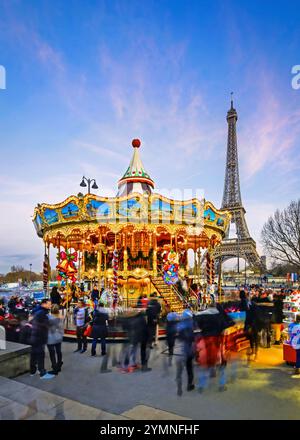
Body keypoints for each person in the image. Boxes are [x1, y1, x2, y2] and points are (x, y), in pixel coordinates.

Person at [29, 299, 54, 379]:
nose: (50, 306)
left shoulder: (36, 310)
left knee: (34, 354)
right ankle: (42, 373)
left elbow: (31, 321)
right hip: (39, 336)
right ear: (43, 304)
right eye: (49, 304)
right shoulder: (42, 313)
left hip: (34, 335)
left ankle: (32, 371)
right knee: (40, 354)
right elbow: (46, 325)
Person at [174, 309, 195, 395]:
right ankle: (190, 384)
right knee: (189, 368)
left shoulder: (180, 324)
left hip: (180, 350)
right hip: (188, 349)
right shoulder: (191, 323)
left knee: (180, 369)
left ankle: (179, 384)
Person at [47, 304, 64, 374]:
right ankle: (59, 364)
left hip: (50, 337)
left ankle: (54, 368)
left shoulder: (48, 317)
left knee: (52, 353)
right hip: (59, 336)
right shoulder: (60, 317)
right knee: (58, 351)